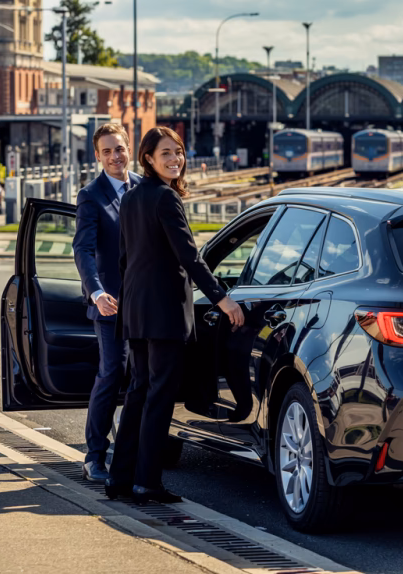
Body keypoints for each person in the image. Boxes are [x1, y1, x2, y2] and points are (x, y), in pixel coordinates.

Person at [106, 126, 244, 504]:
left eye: (179, 152)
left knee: (138, 393)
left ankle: (120, 478)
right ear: (148, 158)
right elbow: (189, 257)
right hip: (164, 312)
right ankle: (146, 482)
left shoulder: (132, 197)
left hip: (135, 309)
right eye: (166, 153)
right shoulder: (166, 199)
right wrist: (222, 300)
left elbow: (123, 258)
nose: (175, 159)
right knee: (159, 396)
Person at [72, 123, 143, 484]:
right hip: (110, 305)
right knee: (111, 373)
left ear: (129, 148)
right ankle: (94, 455)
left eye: (120, 148)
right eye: (107, 151)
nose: (115, 156)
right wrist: (97, 292)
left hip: (145, 303)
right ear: (98, 156)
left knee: (142, 377)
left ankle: (131, 451)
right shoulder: (91, 195)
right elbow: (82, 249)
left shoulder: (146, 188)